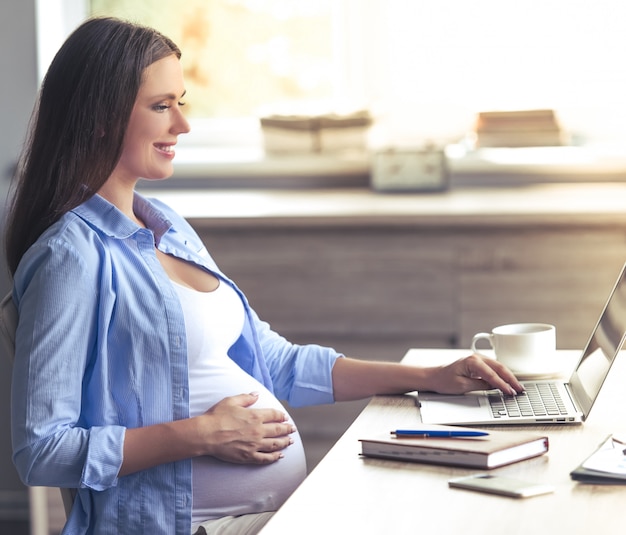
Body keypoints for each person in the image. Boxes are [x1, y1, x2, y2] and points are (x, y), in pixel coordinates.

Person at [4, 17, 523, 535]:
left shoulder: (167, 226)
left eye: (181, 103)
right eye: (161, 107)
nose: (181, 126)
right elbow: (42, 449)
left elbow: (277, 364)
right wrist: (202, 435)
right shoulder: (70, 257)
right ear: (99, 118)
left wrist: (429, 379)